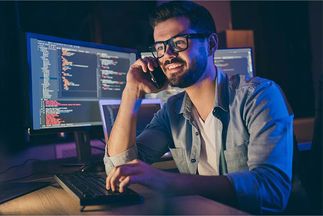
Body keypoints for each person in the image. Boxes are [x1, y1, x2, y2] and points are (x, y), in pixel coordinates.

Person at [103, 1, 293, 214]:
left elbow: (271, 190)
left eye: (179, 42)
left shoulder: (259, 96)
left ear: (211, 44)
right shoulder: (172, 111)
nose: (168, 54)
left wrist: (166, 181)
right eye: (160, 46)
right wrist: (132, 92)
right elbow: (118, 168)